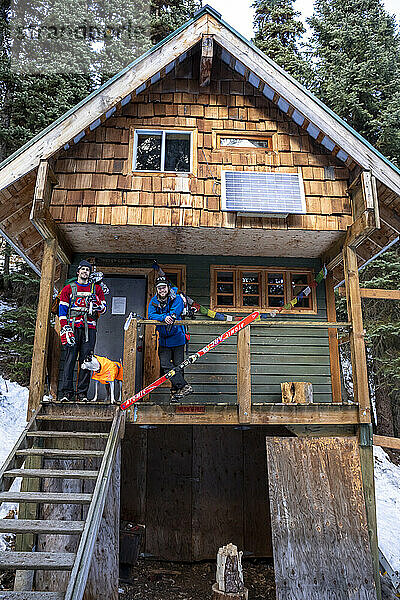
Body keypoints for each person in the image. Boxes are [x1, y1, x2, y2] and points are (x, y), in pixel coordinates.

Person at [58, 260, 106, 402]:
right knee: (70, 360)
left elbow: (103, 308)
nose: (85, 272)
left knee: (86, 361)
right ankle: (67, 393)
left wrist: (95, 303)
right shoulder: (68, 288)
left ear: (90, 273)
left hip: (89, 329)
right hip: (72, 328)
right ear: (78, 272)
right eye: (83, 269)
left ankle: (82, 394)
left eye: (88, 270)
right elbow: (62, 310)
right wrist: (65, 327)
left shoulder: (96, 289)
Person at [148, 276, 193, 401]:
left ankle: (175, 393)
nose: (161, 290)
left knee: (179, 366)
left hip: (178, 338)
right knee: (165, 365)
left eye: (163, 287)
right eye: (159, 288)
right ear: (157, 289)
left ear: (168, 287)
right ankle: (184, 386)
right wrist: (164, 317)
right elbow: (151, 314)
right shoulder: (153, 301)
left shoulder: (176, 298)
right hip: (164, 339)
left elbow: (175, 311)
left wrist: (168, 316)